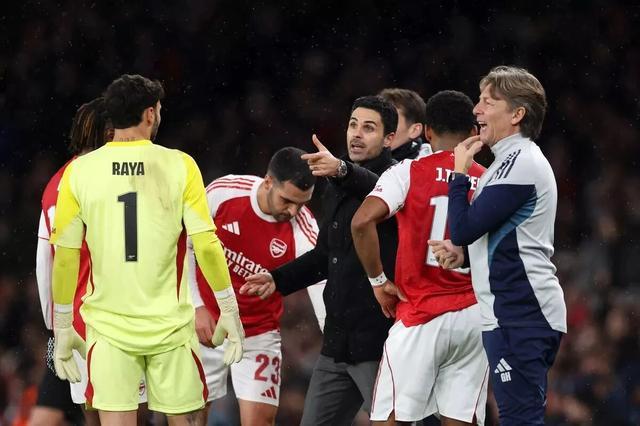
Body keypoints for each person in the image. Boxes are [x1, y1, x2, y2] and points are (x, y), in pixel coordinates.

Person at [49, 74, 244, 426]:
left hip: (108, 329)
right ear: (150, 113)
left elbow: (64, 257)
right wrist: (228, 307)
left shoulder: (78, 173)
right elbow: (206, 244)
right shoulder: (181, 165)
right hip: (170, 327)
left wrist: (62, 324)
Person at [241, 95, 399, 425]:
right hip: (337, 345)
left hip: (380, 342)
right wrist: (277, 279)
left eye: (369, 128)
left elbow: (380, 189)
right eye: (353, 125)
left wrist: (342, 169)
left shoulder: (399, 178)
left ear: (389, 139)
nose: (357, 134)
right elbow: (326, 255)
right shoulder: (336, 184)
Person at [430, 66, 567, 425]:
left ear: (517, 114)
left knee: (519, 419)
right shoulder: (507, 162)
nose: (476, 110)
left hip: (521, 313)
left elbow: (463, 228)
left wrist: (459, 173)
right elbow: (501, 236)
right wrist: (464, 256)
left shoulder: (522, 162)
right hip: (513, 312)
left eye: (488, 102)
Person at [351, 90, 488, 425]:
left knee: (389, 418)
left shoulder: (408, 172)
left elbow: (361, 222)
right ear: (473, 132)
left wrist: (378, 281)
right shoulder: (488, 180)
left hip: (419, 315)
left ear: (427, 132)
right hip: (474, 317)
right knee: (461, 419)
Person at [188, 147, 326, 426]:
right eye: (287, 200)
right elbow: (187, 247)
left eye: (301, 204)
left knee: (261, 421)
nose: (293, 211)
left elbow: (321, 281)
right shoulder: (224, 192)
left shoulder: (303, 226)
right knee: (191, 416)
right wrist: (196, 306)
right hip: (208, 324)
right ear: (268, 182)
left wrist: (332, 337)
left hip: (258, 332)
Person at [31, 98, 110, 426]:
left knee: (89, 413)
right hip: (110, 316)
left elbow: (44, 264)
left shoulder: (56, 183)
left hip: (70, 322)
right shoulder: (106, 179)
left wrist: (54, 326)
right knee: (127, 411)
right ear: (110, 132)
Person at [378, 88, 432, 161]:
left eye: (389, 121)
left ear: (414, 130)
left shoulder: (433, 164)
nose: (379, 129)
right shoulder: (364, 158)